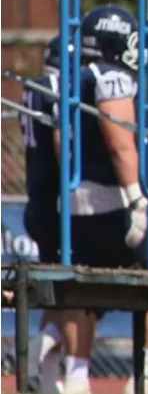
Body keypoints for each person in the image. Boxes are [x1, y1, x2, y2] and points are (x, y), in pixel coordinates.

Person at [72, 4, 148, 394]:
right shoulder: (111, 77)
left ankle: (76, 376)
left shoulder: (70, 77)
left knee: (82, 292)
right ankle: (146, 376)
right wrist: (138, 197)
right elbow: (121, 144)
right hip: (113, 199)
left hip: (75, 202)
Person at [22, 34, 87, 394]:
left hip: (38, 200)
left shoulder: (35, 87)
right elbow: (64, 144)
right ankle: (47, 342)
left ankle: (45, 378)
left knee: (57, 291)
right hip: (58, 204)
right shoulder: (59, 88)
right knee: (75, 292)